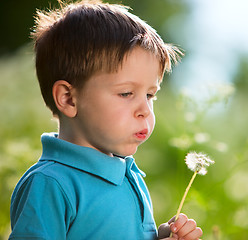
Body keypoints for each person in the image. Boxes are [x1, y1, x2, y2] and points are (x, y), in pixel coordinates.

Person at [9, 0, 203, 239]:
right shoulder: (50, 184)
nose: (145, 110)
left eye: (150, 95)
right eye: (125, 93)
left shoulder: (129, 175)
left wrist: (162, 236)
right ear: (69, 99)